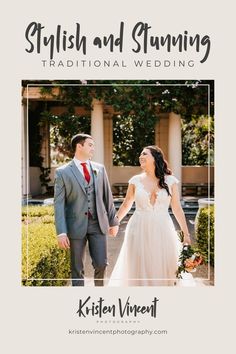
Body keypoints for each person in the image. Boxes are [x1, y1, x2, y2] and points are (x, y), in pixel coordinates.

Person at [109, 145, 192, 286]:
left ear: (155, 158)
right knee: (139, 264)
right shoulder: (135, 180)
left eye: (144, 154)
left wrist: (186, 234)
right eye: (141, 154)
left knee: (163, 262)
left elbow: (177, 208)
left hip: (163, 228)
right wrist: (114, 222)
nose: (140, 157)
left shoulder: (170, 181)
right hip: (138, 228)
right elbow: (126, 204)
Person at [54, 133, 119, 286]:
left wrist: (113, 221)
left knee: (102, 264)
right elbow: (59, 204)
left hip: (98, 224)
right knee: (77, 268)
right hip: (75, 225)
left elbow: (107, 197)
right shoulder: (62, 172)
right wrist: (61, 232)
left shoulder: (100, 169)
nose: (93, 148)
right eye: (90, 145)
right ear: (79, 146)